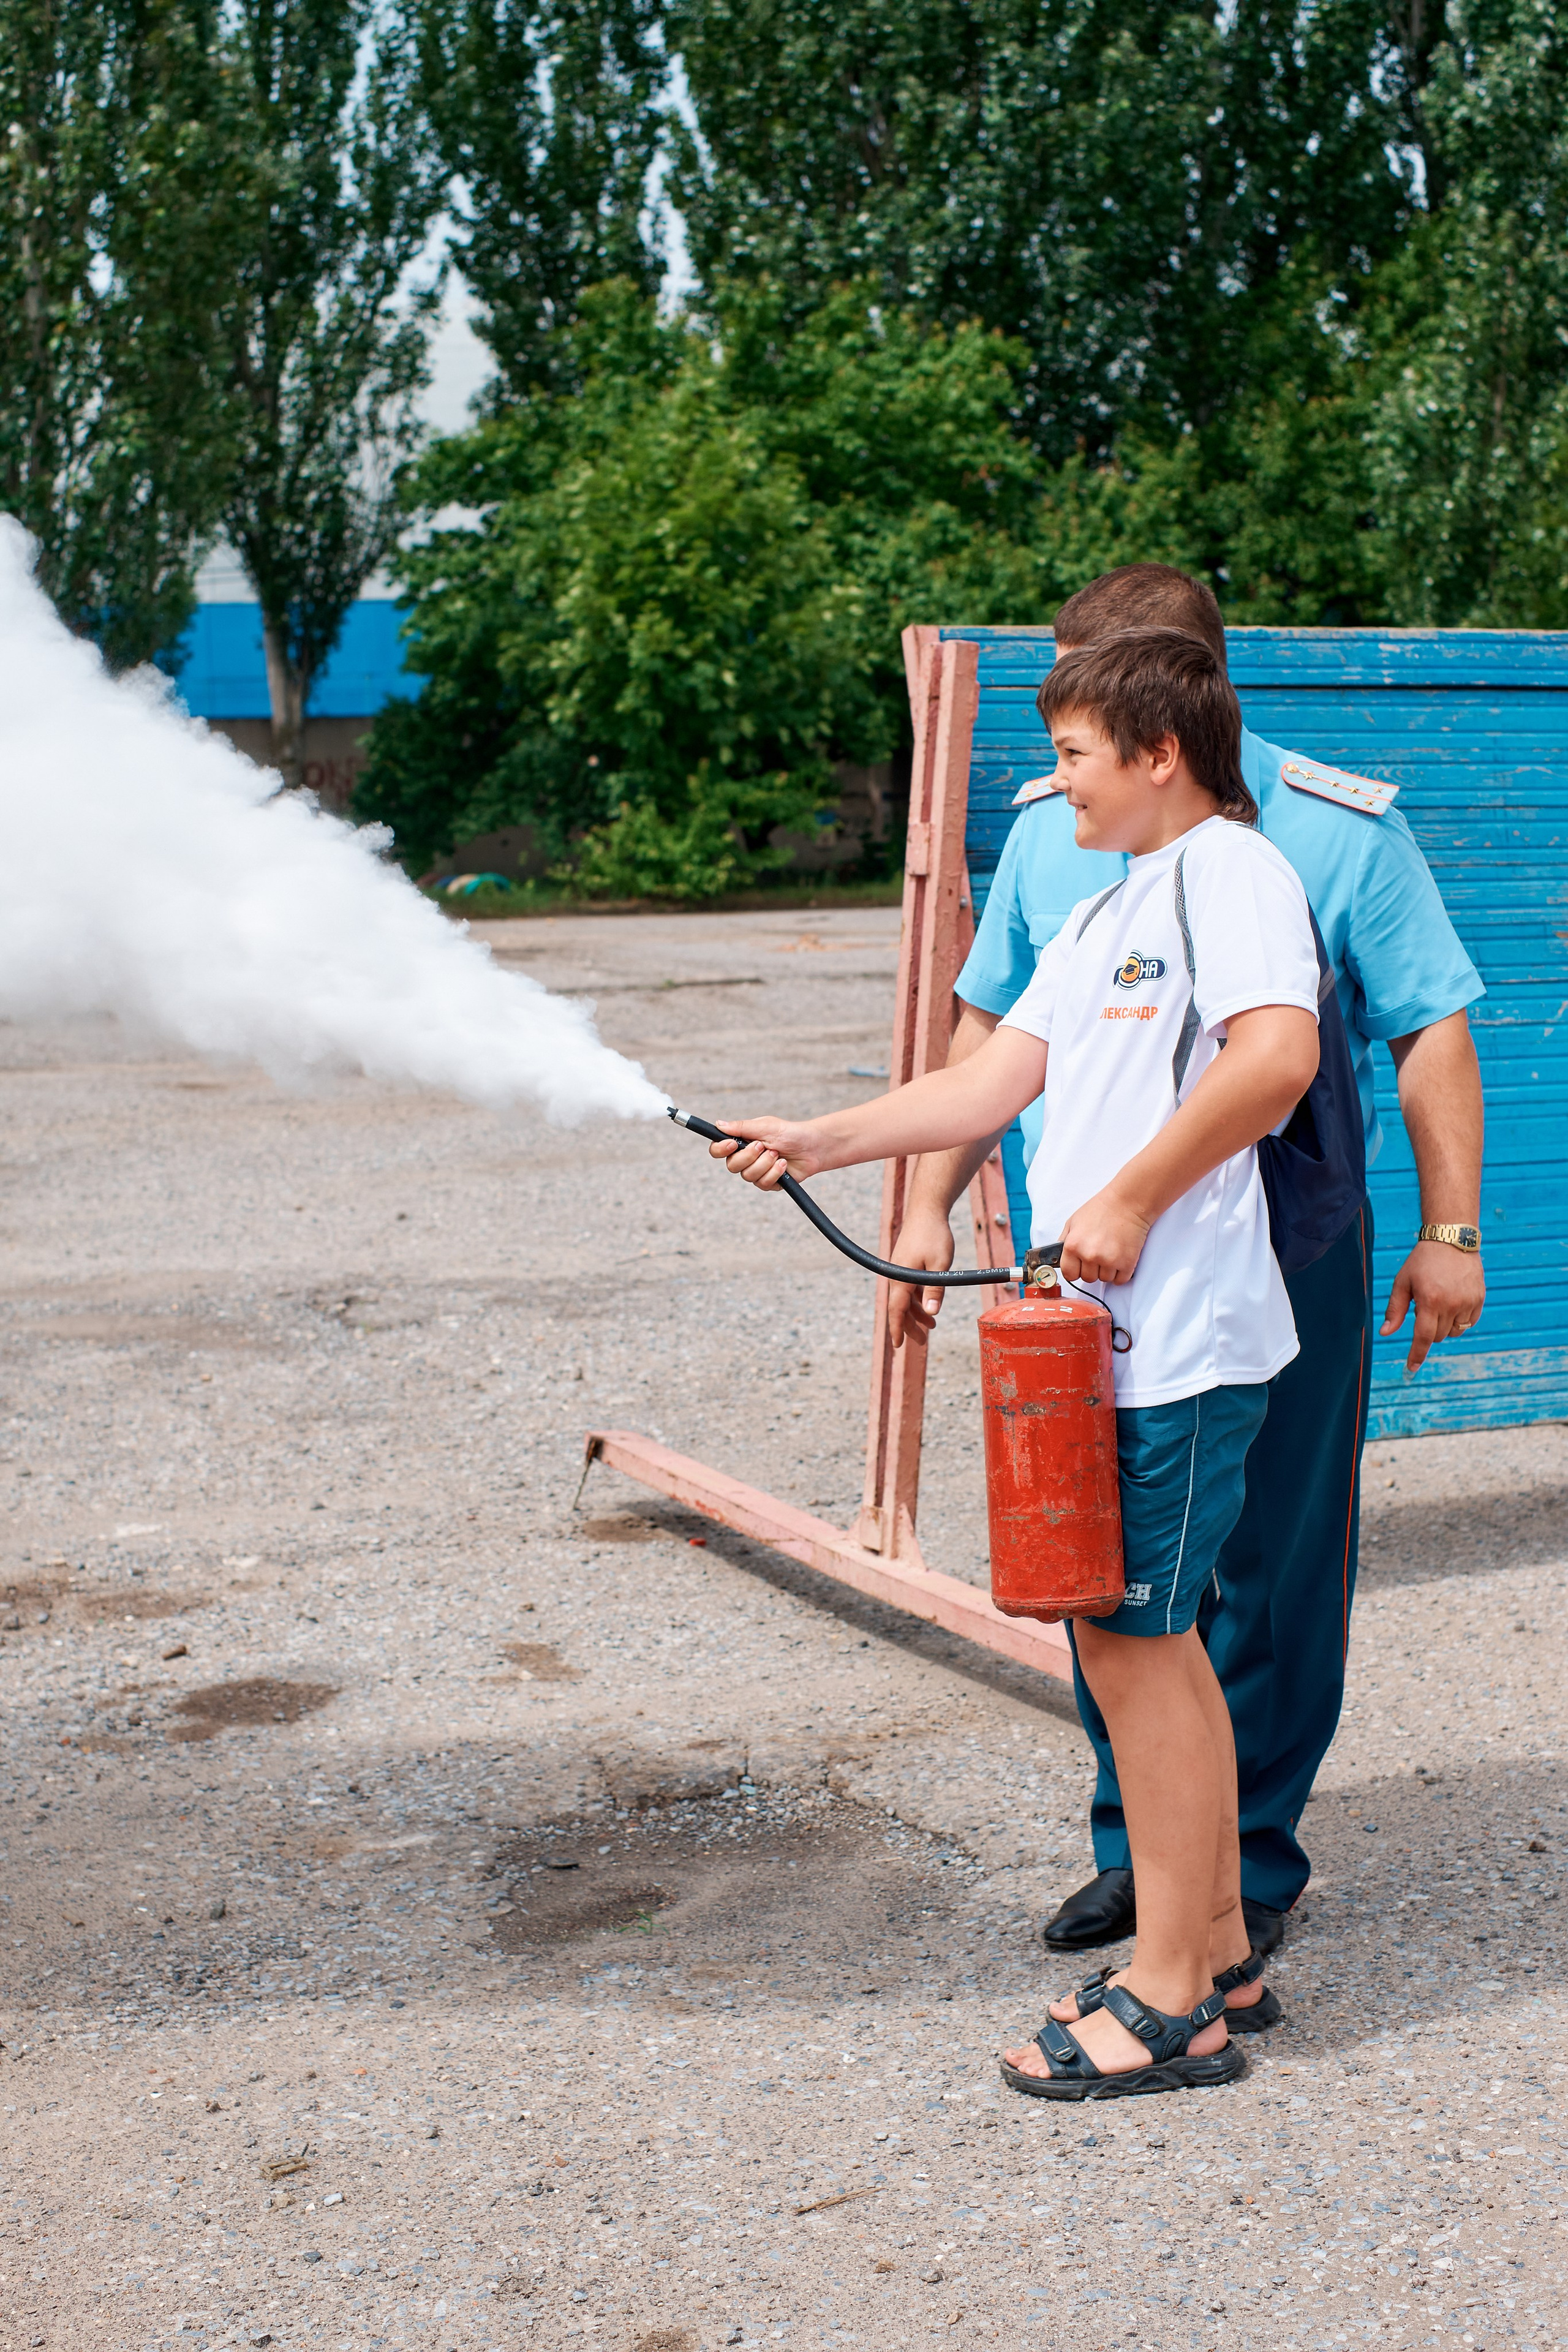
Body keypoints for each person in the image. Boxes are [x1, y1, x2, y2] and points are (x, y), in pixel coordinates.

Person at [714, 628, 1322, 2097]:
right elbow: (991, 1078)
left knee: (1137, 1644)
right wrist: (819, 1137)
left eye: (1069, 758)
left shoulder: (1231, 874)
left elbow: (1275, 1058)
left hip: (1177, 1343)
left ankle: (1175, 1995)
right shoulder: (1113, 899)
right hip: (1108, 1345)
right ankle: (1219, 1943)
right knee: (1125, 1638)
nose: (1053, 790)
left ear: (1157, 751)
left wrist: (1123, 1197)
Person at [888, 564, 1486, 1969]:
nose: (1064, 758)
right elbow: (985, 1039)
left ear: (1176, 705)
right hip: (1093, 1271)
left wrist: (1448, 1233)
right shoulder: (1059, 830)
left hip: (1275, 1254)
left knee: (1271, 1567)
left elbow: (1429, 1038)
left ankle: (1247, 1866)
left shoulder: (1328, 835)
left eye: (1087, 724)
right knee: (1108, 1568)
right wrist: (919, 1212)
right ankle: (1141, 1855)